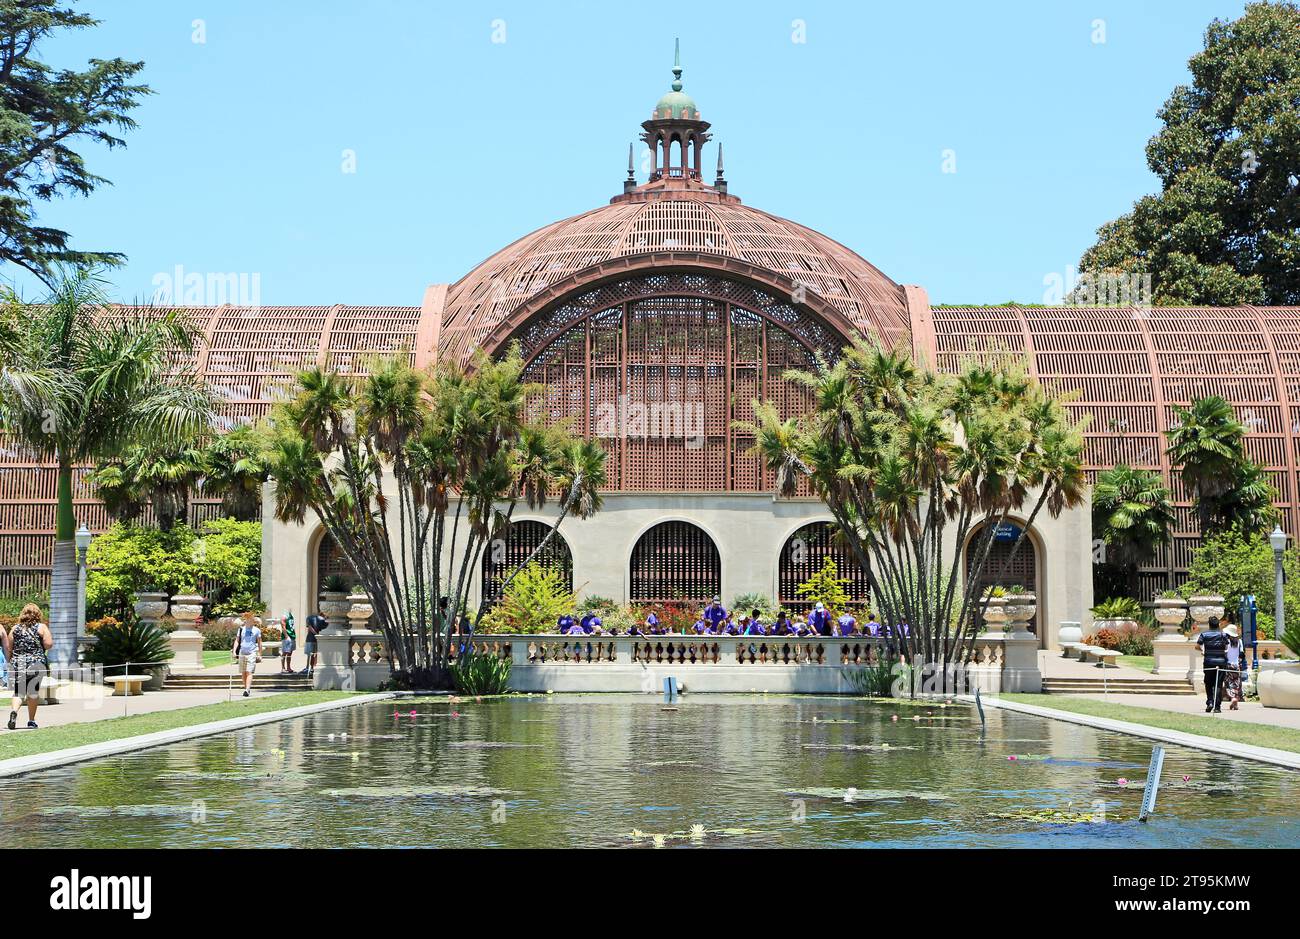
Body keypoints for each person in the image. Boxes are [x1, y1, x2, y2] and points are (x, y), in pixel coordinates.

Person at [6, 604, 52, 730]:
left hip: (18, 663)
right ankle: (31, 721)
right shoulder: (41, 627)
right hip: (35, 663)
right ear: (38, 614)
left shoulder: (15, 628)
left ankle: (14, 711)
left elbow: (9, 648)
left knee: (18, 692)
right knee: (32, 692)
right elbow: (48, 645)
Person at [1195, 616, 1230, 713]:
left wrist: (1203, 651)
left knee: (1208, 683)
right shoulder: (1223, 635)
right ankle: (1217, 707)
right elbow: (1226, 646)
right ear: (1218, 624)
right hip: (1221, 662)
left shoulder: (1204, 634)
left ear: (1209, 624)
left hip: (1208, 662)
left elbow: (1197, 646)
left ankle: (1210, 702)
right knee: (1218, 684)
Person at [231, 615, 263, 697]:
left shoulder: (257, 630)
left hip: (252, 653)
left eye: (251, 620)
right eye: (248, 620)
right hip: (242, 652)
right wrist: (234, 651)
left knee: (249, 671)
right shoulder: (241, 629)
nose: (250, 621)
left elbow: (259, 642)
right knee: (243, 672)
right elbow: (237, 641)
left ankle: (247, 689)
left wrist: (259, 654)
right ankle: (246, 689)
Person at [1223, 625, 1245, 710]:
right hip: (1236, 665)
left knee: (1229, 683)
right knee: (1236, 683)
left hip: (1228, 665)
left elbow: (1225, 653)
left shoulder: (1226, 642)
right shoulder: (1239, 641)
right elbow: (1241, 654)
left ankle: (1233, 698)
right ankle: (1235, 700)